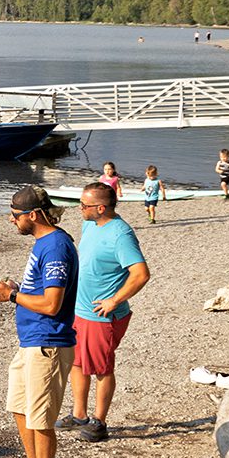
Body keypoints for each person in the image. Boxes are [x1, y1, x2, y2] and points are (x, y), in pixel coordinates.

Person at [0, 185, 76, 458]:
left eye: (15, 215)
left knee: (41, 419)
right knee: (19, 407)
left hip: (48, 343)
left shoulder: (56, 246)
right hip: (31, 342)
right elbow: (40, 290)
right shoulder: (43, 243)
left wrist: (10, 297)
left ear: (33, 215)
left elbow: (52, 304)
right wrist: (17, 289)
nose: (12, 221)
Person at [61, 181, 152, 443]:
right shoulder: (90, 223)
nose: (80, 208)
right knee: (77, 362)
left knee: (101, 368)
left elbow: (141, 274)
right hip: (80, 309)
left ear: (100, 208)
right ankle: (79, 413)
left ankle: (99, 422)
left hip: (102, 316)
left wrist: (114, 301)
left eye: (84, 205)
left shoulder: (121, 234)